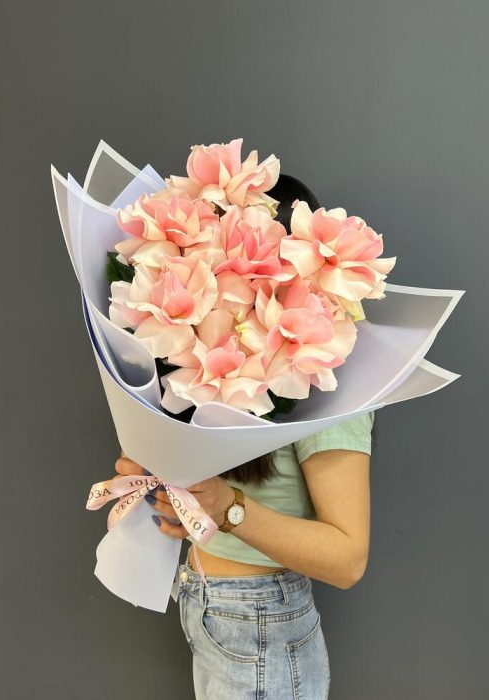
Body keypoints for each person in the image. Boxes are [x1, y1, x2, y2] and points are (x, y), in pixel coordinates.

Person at [114, 175, 375, 700]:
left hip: (262, 625)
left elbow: (348, 559)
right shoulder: (217, 357)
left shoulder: (325, 381)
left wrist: (225, 507)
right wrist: (163, 483)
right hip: (216, 609)